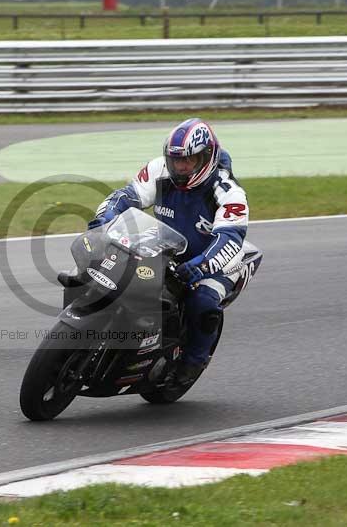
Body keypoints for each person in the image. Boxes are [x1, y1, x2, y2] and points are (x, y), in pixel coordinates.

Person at [88, 118, 249, 387]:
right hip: (166, 246)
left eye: (190, 160)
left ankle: (194, 360)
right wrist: (105, 220)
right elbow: (125, 197)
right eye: (177, 161)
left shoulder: (229, 192)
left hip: (214, 260)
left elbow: (230, 238)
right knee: (106, 263)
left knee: (203, 302)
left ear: (207, 157)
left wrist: (203, 265)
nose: (181, 167)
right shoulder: (158, 170)